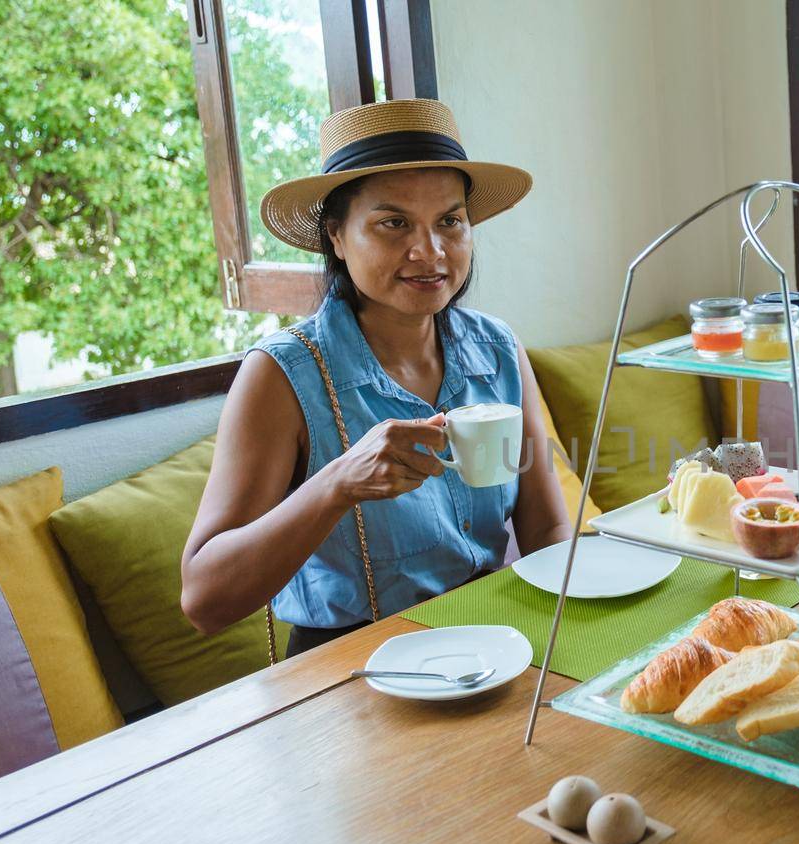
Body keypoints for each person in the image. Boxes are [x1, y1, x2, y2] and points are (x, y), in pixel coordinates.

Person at [181, 99, 570, 657]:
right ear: (336, 238)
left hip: (491, 643)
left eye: (450, 221)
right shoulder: (282, 375)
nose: (429, 251)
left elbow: (547, 533)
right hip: (348, 665)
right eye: (393, 223)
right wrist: (336, 484)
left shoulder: (498, 349)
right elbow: (204, 600)